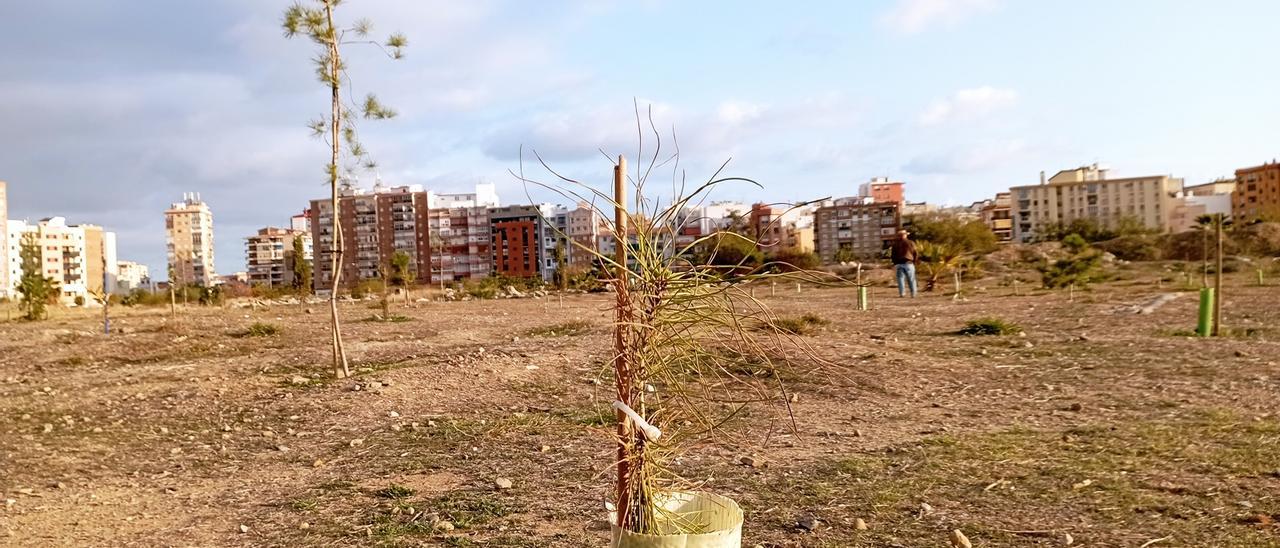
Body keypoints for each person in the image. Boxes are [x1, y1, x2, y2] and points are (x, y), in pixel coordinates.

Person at [890, 229, 918, 298]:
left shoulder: (895, 244)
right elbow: (915, 253)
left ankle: (902, 293)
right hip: (909, 263)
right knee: (911, 279)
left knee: (900, 279)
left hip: (899, 264)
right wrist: (914, 262)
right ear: (905, 235)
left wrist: (895, 263)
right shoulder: (911, 243)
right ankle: (913, 293)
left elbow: (893, 255)